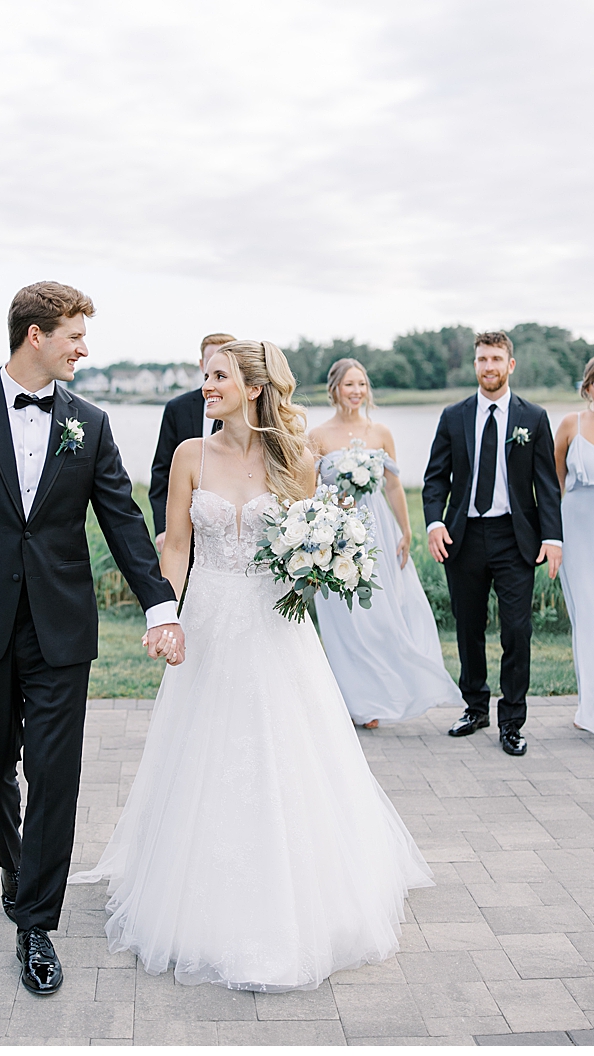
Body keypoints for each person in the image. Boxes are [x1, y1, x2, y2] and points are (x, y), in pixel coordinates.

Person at [72, 340, 431, 991]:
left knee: (283, 749)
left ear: (255, 388)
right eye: (205, 375)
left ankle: (294, 897)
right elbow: (177, 547)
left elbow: (313, 540)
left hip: (274, 624)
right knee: (204, 749)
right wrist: (165, 615)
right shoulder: (189, 455)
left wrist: (321, 562)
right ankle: (197, 893)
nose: (207, 385)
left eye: (220, 376)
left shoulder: (295, 458)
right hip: (209, 619)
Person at [0, 282, 186, 996]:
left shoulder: (89, 421)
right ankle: (15, 863)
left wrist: (160, 605)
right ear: (37, 335)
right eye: (75, 336)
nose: (84, 349)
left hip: (61, 627)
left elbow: (122, 519)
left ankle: (36, 923)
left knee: (56, 774)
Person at [422, 331, 562, 757]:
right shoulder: (454, 415)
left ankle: (512, 721)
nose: (489, 366)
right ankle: (475, 707)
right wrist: (434, 523)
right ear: (475, 365)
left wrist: (553, 537)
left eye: (496, 359)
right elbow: (435, 478)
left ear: (510, 364)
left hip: (515, 538)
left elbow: (546, 483)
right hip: (463, 537)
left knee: (517, 630)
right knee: (468, 627)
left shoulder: (533, 417)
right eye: (482, 359)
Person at [307, 358, 459, 728]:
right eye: (349, 384)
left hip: (377, 533)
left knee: (378, 617)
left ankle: (382, 694)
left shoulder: (381, 433)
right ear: (334, 389)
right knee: (345, 620)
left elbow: (392, 486)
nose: (356, 391)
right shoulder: (317, 436)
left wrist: (405, 530)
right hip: (337, 536)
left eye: (361, 384)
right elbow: (309, 490)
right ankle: (355, 701)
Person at [149, 332, 235, 556]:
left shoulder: (246, 413)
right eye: (212, 360)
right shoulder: (177, 408)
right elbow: (161, 471)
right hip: (185, 530)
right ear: (202, 364)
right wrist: (163, 529)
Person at [555, 356, 594, 733]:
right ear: (587, 387)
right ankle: (590, 708)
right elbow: (555, 480)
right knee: (586, 615)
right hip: (575, 525)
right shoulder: (571, 423)